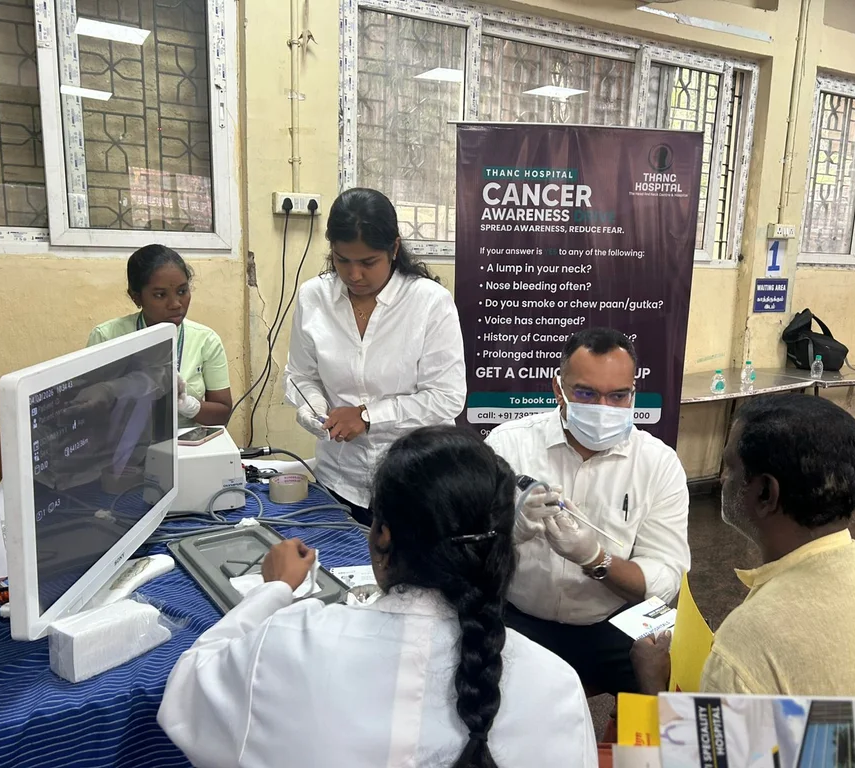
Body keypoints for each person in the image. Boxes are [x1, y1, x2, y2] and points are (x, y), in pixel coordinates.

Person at [157, 426, 598, 768]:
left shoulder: (289, 644)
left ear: (382, 538)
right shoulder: (557, 686)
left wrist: (274, 591)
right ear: (502, 546)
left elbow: (184, 698)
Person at [631, 394, 855, 697]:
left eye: (730, 467)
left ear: (766, 493)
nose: (721, 479)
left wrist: (652, 683)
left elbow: (703, 746)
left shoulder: (746, 646)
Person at [484, 328, 690, 696]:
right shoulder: (507, 445)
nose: (602, 409)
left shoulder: (658, 463)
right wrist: (508, 530)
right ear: (558, 389)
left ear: (633, 395)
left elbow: (666, 576)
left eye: (617, 396)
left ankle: (637, 752)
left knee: (671, 684)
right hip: (518, 616)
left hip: (611, 621)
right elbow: (467, 545)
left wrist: (596, 559)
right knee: (477, 696)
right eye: (586, 393)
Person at [284, 188, 465, 525]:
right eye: (342, 260)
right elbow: (299, 375)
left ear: (394, 248)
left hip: (415, 482)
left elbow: (447, 398)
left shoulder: (429, 303)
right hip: (339, 479)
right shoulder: (314, 297)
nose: (354, 275)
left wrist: (368, 416)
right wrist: (312, 408)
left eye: (368, 262)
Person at [88, 244, 232, 428]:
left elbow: (223, 415)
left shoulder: (206, 340)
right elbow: (91, 413)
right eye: (160, 295)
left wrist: (188, 405)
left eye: (182, 291)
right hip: (126, 447)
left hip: (186, 446)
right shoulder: (107, 337)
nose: (175, 304)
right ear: (136, 297)